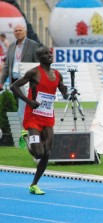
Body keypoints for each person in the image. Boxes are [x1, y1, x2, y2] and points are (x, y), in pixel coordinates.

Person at [10, 46, 68, 195]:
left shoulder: (57, 74)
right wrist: (28, 101)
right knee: (38, 154)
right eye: (45, 54)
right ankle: (27, 136)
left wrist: (65, 91)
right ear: (39, 58)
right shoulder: (34, 73)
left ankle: (34, 184)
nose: (49, 55)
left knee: (47, 153)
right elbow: (14, 87)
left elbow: (62, 90)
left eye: (49, 53)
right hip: (33, 117)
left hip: (48, 117)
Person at [0, 24, 39, 97]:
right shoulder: (11, 46)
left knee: (27, 104)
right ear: (14, 33)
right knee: (16, 104)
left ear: (25, 32)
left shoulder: (33, 45)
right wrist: (2, 82)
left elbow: (37, 64)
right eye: (16, 31)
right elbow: (7, 66)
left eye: (20, 30)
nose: (18, 32)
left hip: (27, 81)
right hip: (14, 80)